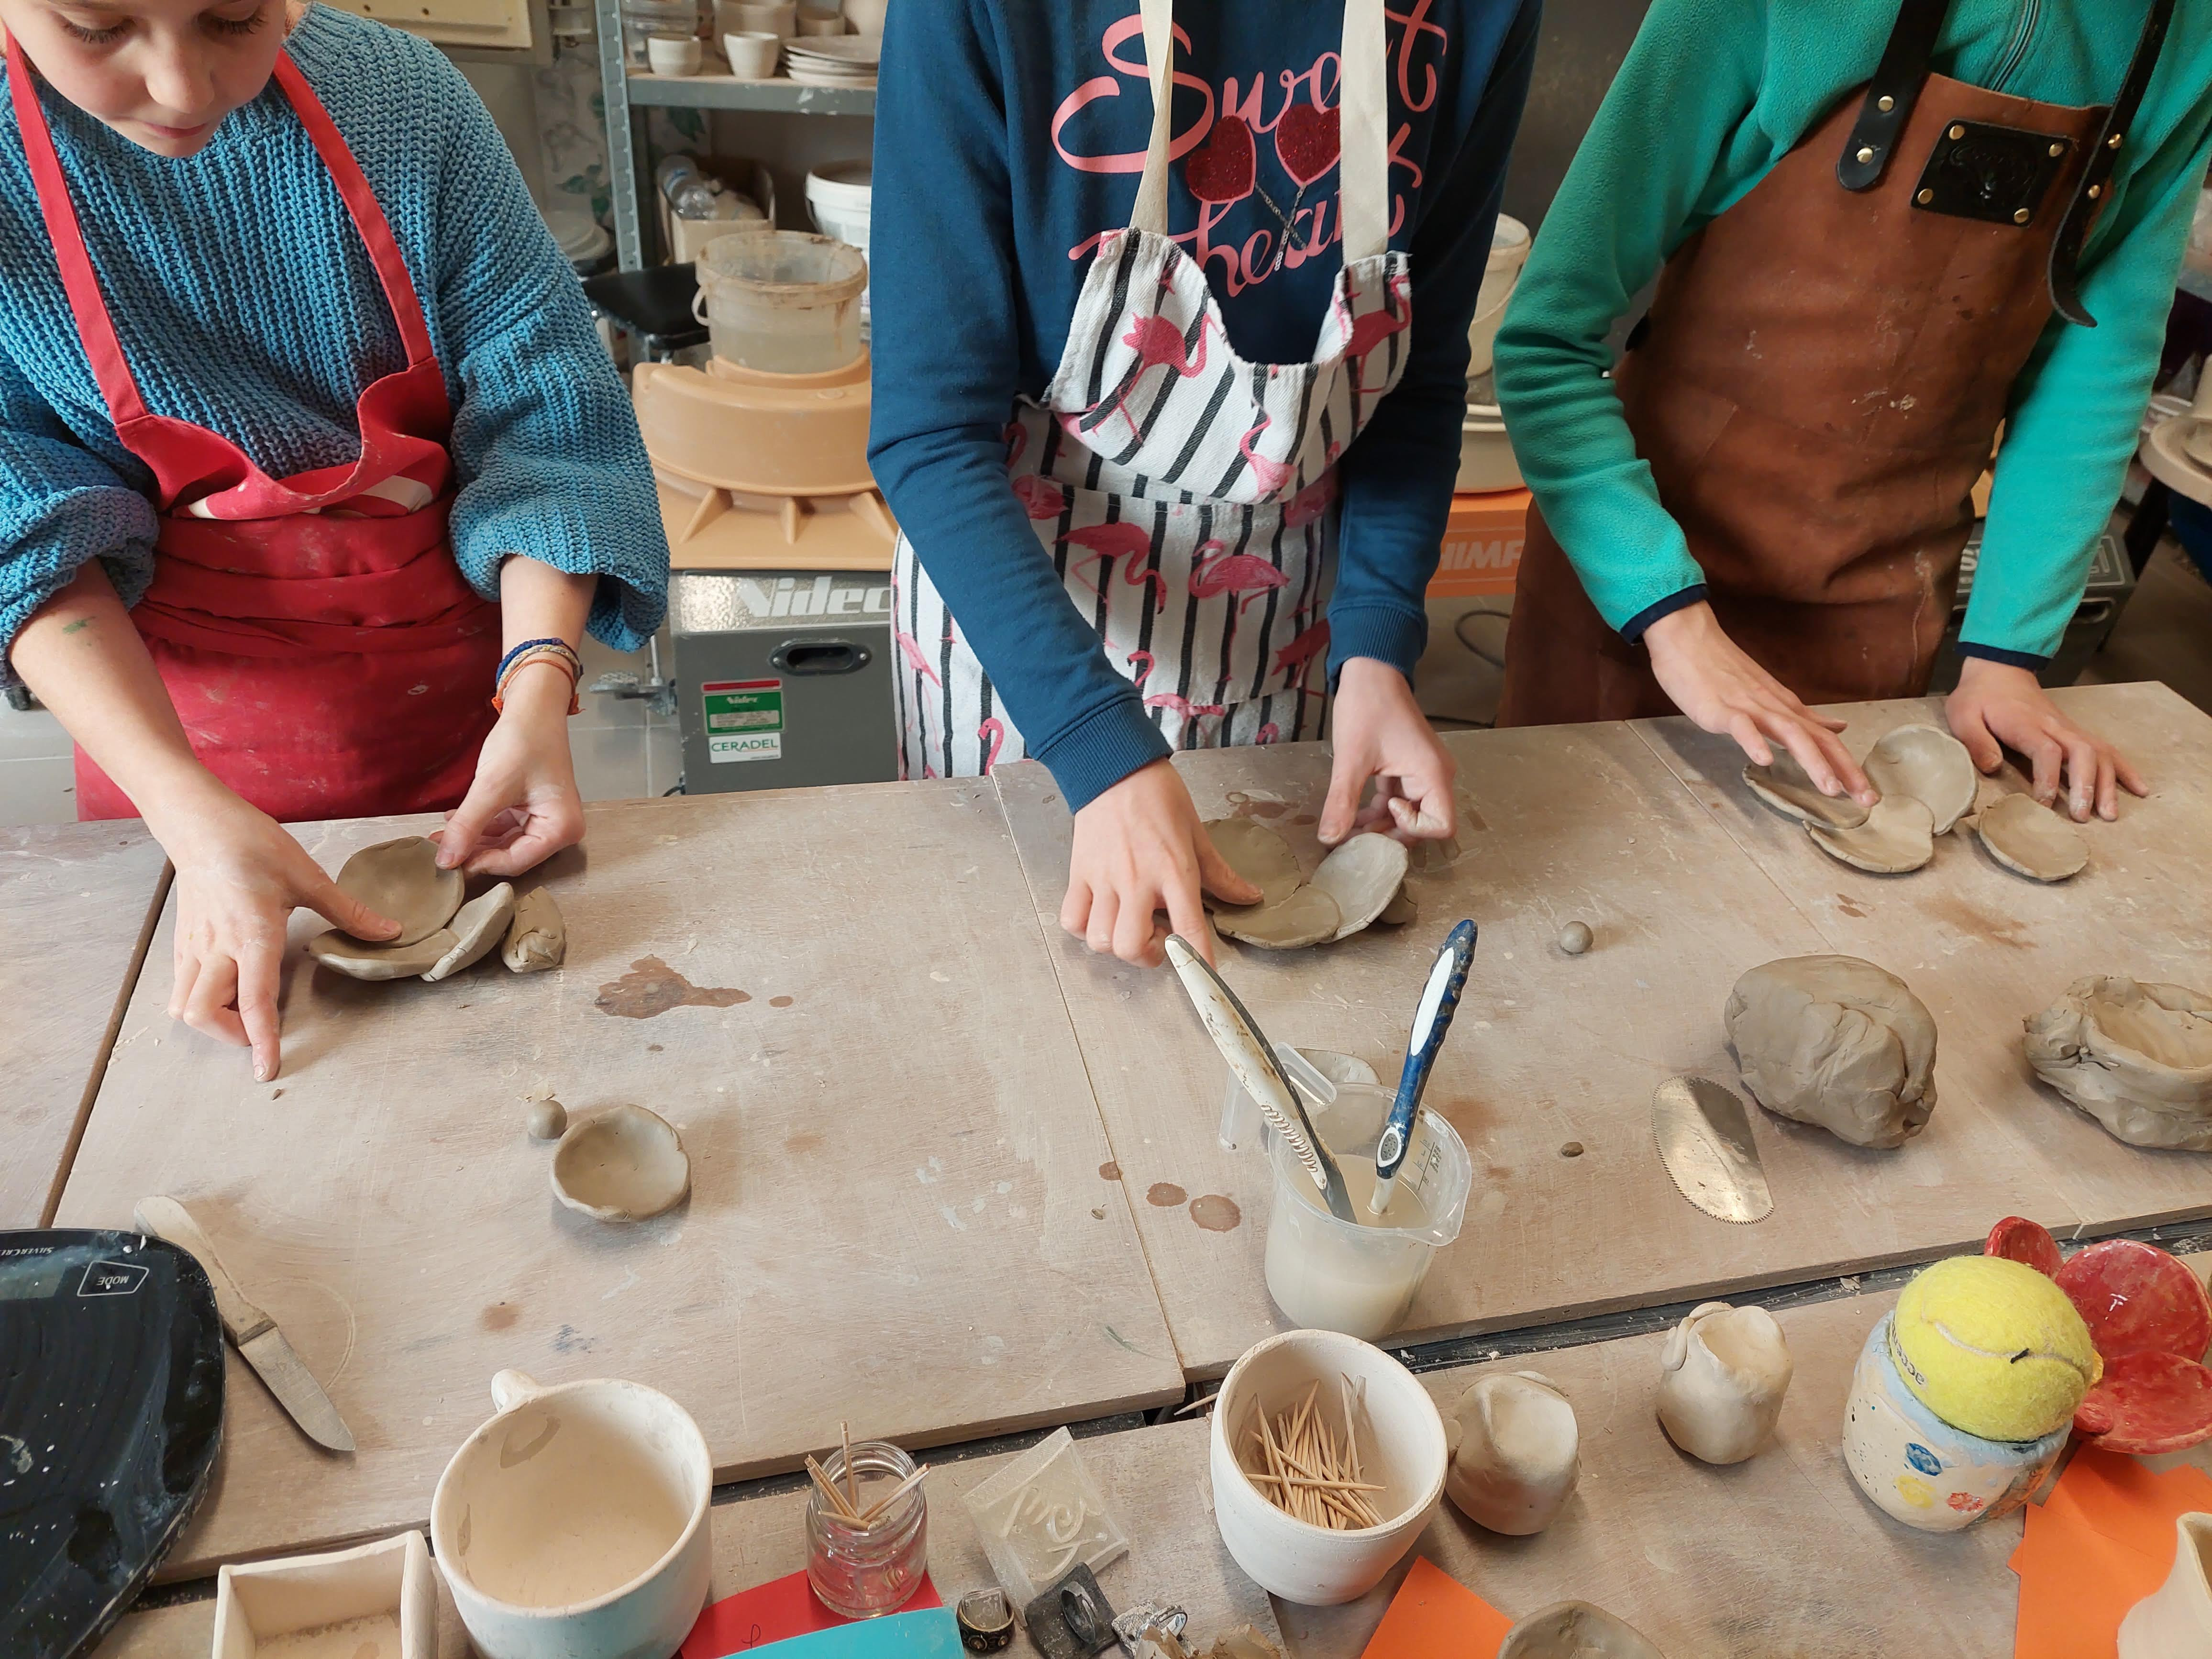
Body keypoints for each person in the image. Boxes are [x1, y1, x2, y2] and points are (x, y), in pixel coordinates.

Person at [0, 0, 668, 1077]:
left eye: (232, 16)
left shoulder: (400, 103)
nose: (181, 85)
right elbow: (21, 523)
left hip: (455, 722)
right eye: (97, 25)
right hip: (163, 739)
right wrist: (184, 811)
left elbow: (547, 422)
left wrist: (539, 685)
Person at [869, 0, 1540, 965]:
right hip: (1022, 644)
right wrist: (1097, 747)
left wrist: (1376, 646)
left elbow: (1416, 378)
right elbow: (930, 432)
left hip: (1284, 630)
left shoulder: (1475, 15)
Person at [1493, 0, 2211, 822]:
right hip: (1636, 577)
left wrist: (2009, 652)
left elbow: (2096, 369)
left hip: (1879, 598)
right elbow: (1547, 338)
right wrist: (1666, 613)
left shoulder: (2187, 37)